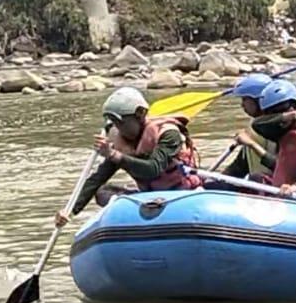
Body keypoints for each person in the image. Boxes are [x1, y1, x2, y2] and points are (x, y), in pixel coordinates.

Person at [55, 87, 201, 227]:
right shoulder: (122, 143)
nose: (119, 129)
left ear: (140, 114)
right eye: (115, 124)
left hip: (182, 196)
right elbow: (97, 179)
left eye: (121, 122)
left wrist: (113, 154)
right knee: (102, 192)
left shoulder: (168, 134)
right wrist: (70, 210)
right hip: (149, 198)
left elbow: (153, 169)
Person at [220, 73, 277, 179]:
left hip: (277, 188)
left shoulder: (281, 129)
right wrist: (215, 179)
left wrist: (252, 144)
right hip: (258, 186)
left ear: (258, 100)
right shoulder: (253, 128)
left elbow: (279, 167)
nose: (242, 105)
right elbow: (239, 167)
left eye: (245, 100)